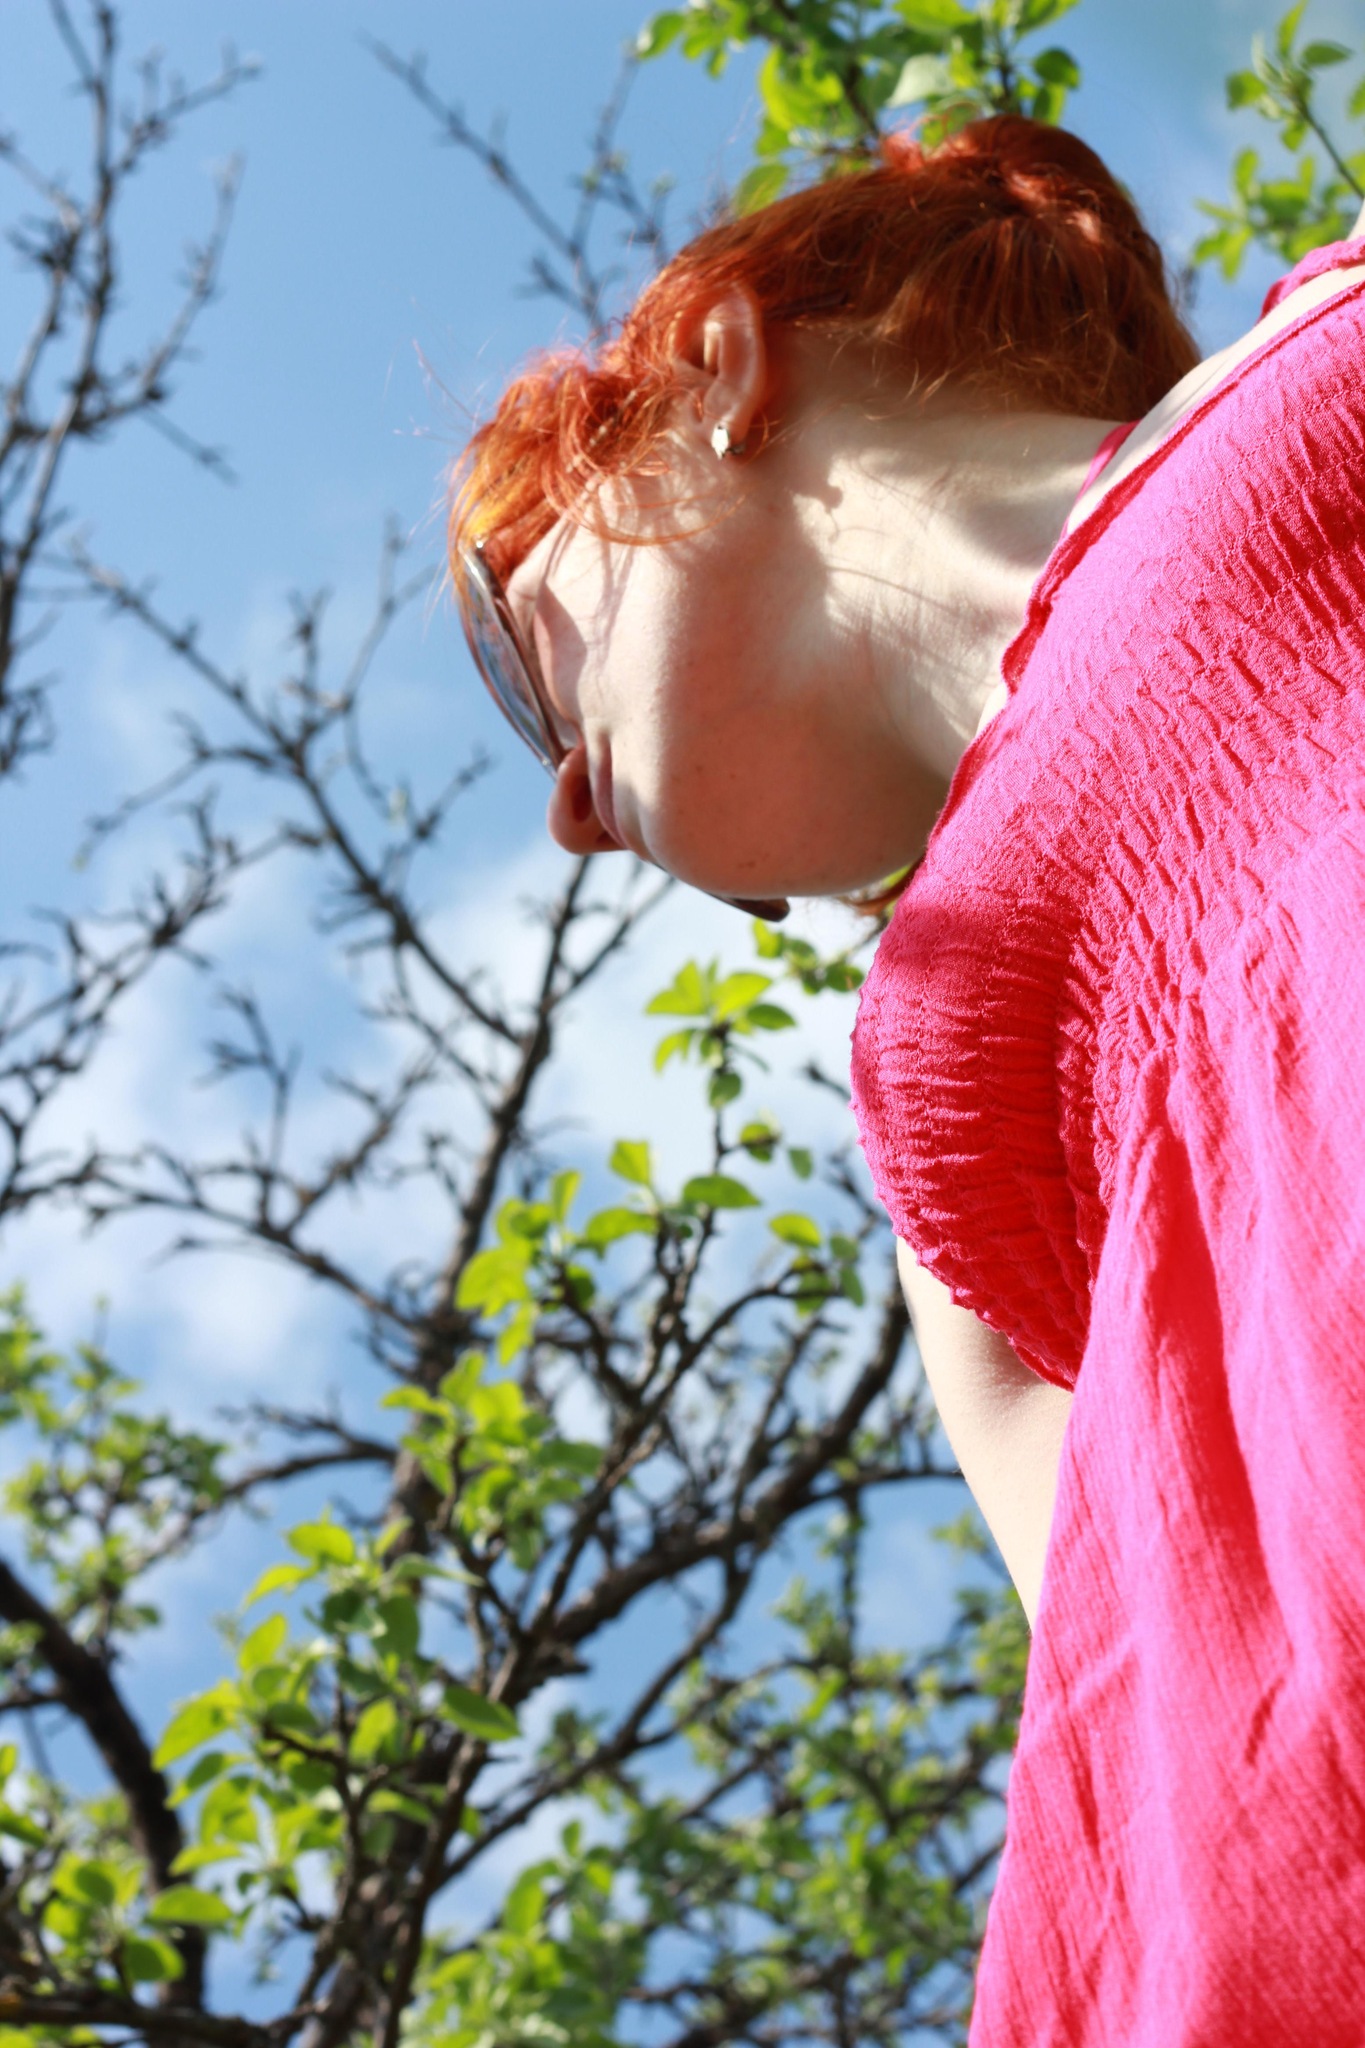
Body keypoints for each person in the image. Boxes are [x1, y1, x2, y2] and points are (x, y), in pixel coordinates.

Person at [451, 113, 1365, 2045]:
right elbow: (1169, 1725)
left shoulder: (1328, 351)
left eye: (535, 666)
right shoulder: (937, 1130)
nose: (565, 810)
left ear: (715, 375)